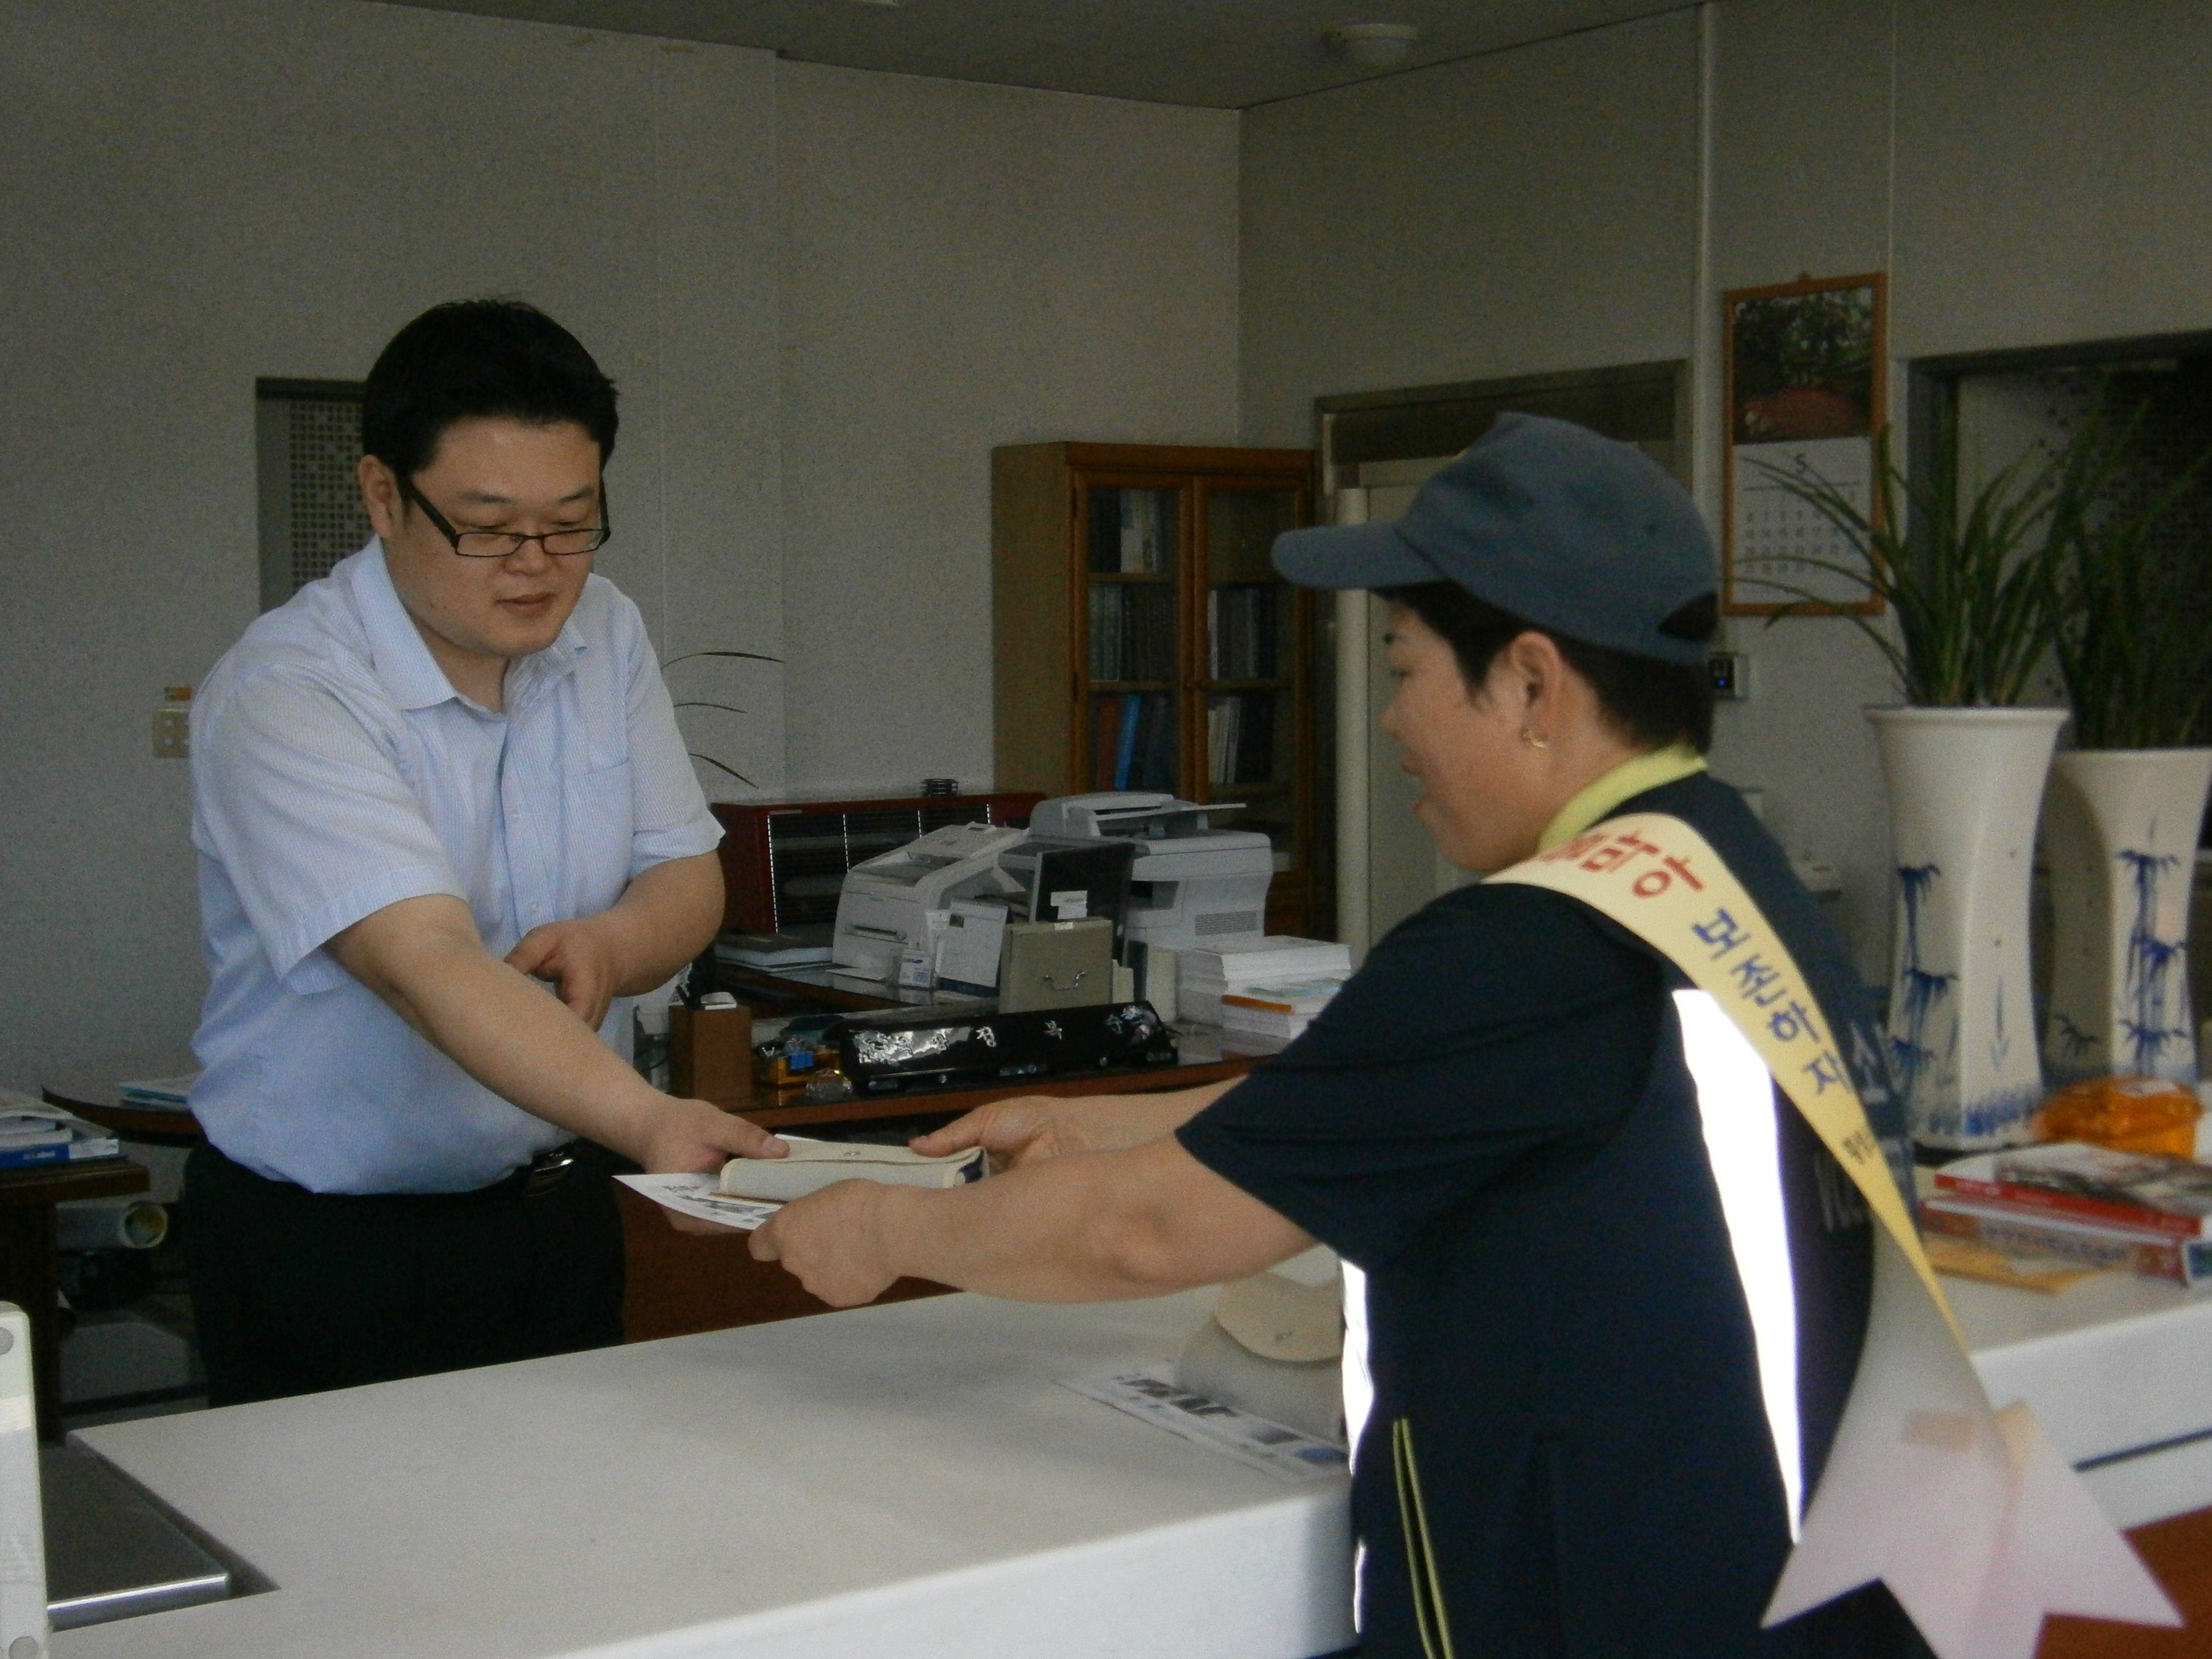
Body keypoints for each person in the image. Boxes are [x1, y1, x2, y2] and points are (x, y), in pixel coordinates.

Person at [748, 415, 1926, 1656]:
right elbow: (1428, 1107)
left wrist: (884, 1229)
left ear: (1531, 685)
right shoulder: (1719, 875)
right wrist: (1101, 1124)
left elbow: (1145, 1233)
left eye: (1404, 668)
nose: (1390, 718)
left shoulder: (1527, 944)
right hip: (1788, 1595)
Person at [185, 299, 782, 1406]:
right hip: (334, 1246)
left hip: (554, 1210)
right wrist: (652, 1120)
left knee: (577, 1509)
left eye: (571, 522)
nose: (536, 566)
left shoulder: (605, 631)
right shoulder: (289, 692)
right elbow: (428, 965)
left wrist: (613, 945)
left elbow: (684, 872)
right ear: (382, 496)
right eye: (489, 528)